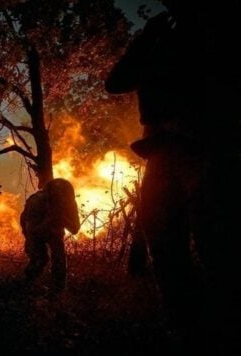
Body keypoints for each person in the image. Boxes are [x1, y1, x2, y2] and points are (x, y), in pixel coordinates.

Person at [105, 2, 241, 353]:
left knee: (216, 244)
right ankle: (191, 331)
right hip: (162, 152)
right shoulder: (160, 34)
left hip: (206, 151)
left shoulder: (218, 26)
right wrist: (146, 39)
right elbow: (116, 82)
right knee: (164, 246)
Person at [21, 178, 80, 293]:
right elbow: (29, 226)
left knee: (59, 260)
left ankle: (58, 291)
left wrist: (61, 217)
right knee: (40, 259)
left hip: (54, 232)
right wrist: (29, 241)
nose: (61, 199)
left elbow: (75, 228)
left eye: (63, 198)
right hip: (35, 230)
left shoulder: (69, 202)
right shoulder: (36, 201)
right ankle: (27, 286)